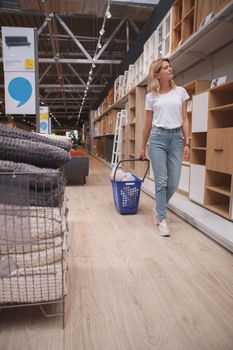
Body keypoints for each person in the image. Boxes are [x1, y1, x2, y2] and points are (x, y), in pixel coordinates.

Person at [140, 58, 190, 237]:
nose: (170, 69)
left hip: (176, 138)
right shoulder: (151, 97)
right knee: (161, 181)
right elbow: (147, 125)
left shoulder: (181, 92)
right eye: (166, 67)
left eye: (170, 66)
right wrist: (142, 147)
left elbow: (185, 118)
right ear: (157, 74)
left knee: (174, 181)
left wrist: (187, 142)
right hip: (157, 139)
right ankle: (162, 219)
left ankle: (158, 208)